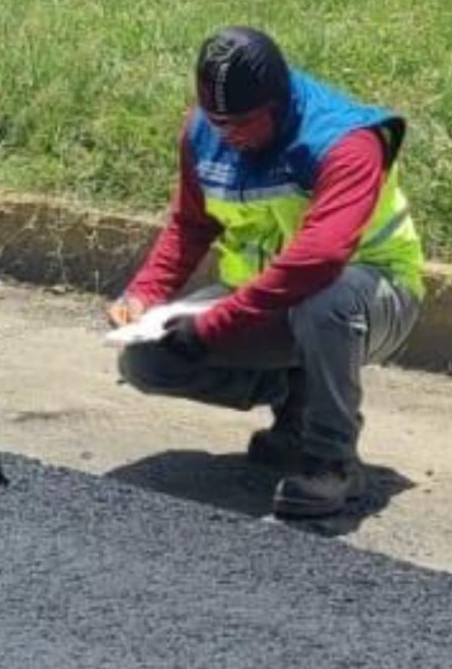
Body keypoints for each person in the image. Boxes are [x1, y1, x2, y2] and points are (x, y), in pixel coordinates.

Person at [110, 28, 426, 520]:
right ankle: (296, 410)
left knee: (325, 305)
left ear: (277, 105)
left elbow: (316, 262)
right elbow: (190, 225)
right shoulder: (203, 133)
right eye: (217, 122)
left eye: (241, 123)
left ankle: (331, 463)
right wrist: (144, 294)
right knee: (146, 360)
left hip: (373, 296)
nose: (227, 136)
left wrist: (211, 327)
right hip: (267, 300)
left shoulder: (345, 143)